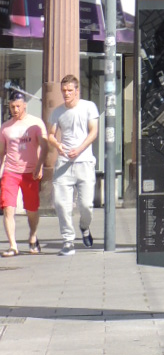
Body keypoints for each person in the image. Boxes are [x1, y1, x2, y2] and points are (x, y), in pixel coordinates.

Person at [49, 74, 99, 256]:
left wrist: (79, 149)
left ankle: (84, 227)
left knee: (86, 205)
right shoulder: (57, 111)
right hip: (63, 164)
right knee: (61, 204)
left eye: (70, 90)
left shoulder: (88, 107)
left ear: (77, 90)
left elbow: (93, 132)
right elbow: (51, 135)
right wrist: (57, 145)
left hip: (84, 161)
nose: (66, 94)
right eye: (63, 91)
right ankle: (68, 241)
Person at [1, 85, 46, 256]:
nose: (15, 109)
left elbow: (44, 147)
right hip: (10, 172)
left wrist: (40, 166)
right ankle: (13, 245)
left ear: (24, 105)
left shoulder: (35, 123)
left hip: (30, 172)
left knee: (32, 209)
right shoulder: (5, 127)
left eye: (18, 106)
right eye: (12, 106)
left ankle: (33, 236)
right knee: (8, 208)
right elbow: (1, 152)